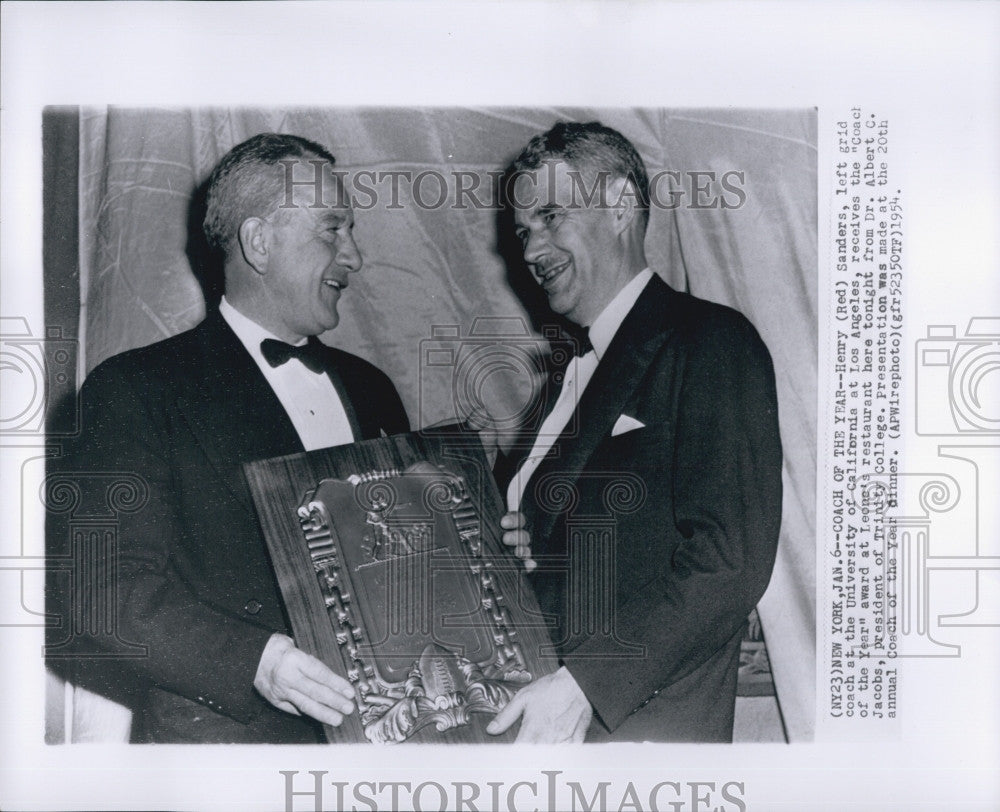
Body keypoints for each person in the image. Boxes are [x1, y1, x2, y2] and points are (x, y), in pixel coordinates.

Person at [47, 133, 409, 743]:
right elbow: (98, 591)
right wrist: (259, 663)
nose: (354, 257)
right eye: (332, 229)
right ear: (259, 242)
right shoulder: (134, 390)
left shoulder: (373, 389)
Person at [487, 122, 782, 743]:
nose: (532, 249)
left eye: (550, 217)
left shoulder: (710, 341)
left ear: (621, 205)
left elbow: (730, 561)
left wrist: (584, 686)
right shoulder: (564, 382)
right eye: (522, 231)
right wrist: (515, 544)